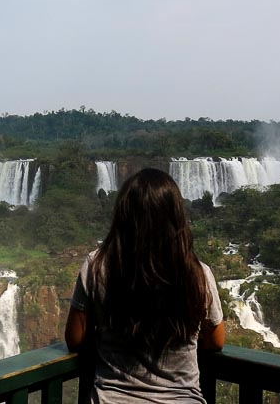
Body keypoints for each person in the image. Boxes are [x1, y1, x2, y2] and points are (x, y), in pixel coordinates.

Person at [64, 168, 225, 403]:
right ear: (177, 218)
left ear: (123, 216)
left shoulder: (97, 265)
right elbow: (216, 340)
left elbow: (75, 339)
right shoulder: (198, 273)